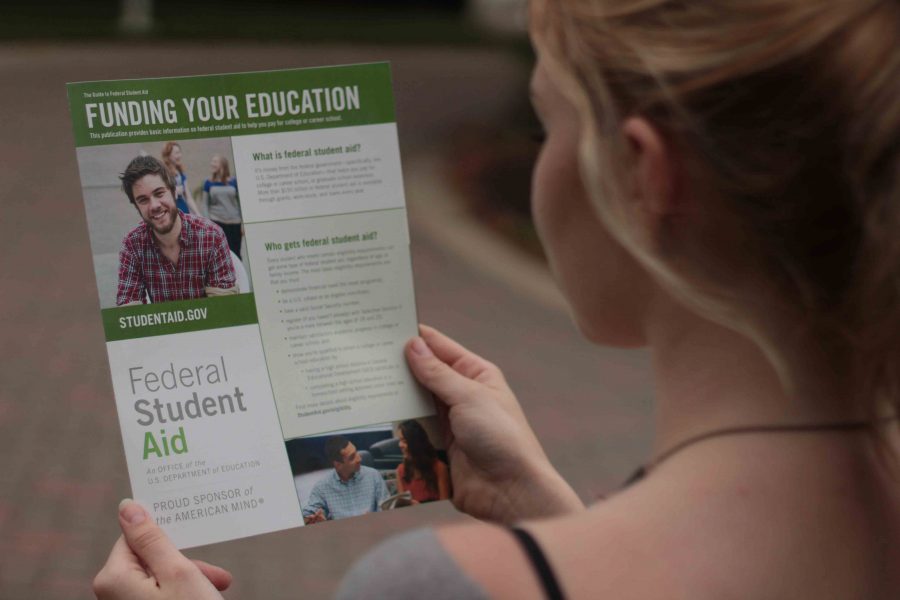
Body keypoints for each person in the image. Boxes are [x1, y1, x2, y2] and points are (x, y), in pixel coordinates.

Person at [94, 1, 900, 598]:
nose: (540, 165)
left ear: (642, 175)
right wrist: (545, 509)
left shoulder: (435, 588)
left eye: (547, 128)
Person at [116, 155, 237, 305]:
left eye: (159, 193)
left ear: (174, 192)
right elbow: (129, 310)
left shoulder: (211, 235)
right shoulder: (132, 245)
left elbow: (226, 307)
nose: (154, 205)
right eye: (143, 200)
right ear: (136, 206)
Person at [301, 436, 390, 524]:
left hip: (373, 530)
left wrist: (376, 518)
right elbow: (309, 513)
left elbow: (387, 507)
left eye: (356, 452)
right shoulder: (322, 487)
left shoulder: (373, 475)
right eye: (352, 457)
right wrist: (313, 517)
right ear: (338, 464)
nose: (359, 459)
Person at [395, 419, 450, 504]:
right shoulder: (400, 470)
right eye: (399, 440)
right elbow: (403, 509)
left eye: (404, 441)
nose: (400, 445)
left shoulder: (439, 468)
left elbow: (445, 506)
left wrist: (421, 508)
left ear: (416, 444)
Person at [203, 155, 242, 258]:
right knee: (220, 255)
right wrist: (208, 224)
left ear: (222, 164)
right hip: (217, 222)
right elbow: (205, 205)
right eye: (212, 161)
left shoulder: (233, 181)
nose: (212, 164)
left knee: (236, 254)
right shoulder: (208, 182)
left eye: (215, 161)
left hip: (234, 222)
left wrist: (243, 223)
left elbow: (240, 203)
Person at [160, 141, 200, 215]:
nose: (180, 155)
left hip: (184, 211)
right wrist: (174, 191)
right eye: (176, 153)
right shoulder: (162, 174)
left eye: (180, 152)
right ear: (168, 155)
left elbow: (188, 198)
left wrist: (198, 214)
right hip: (171, 213)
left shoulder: (181, 173)